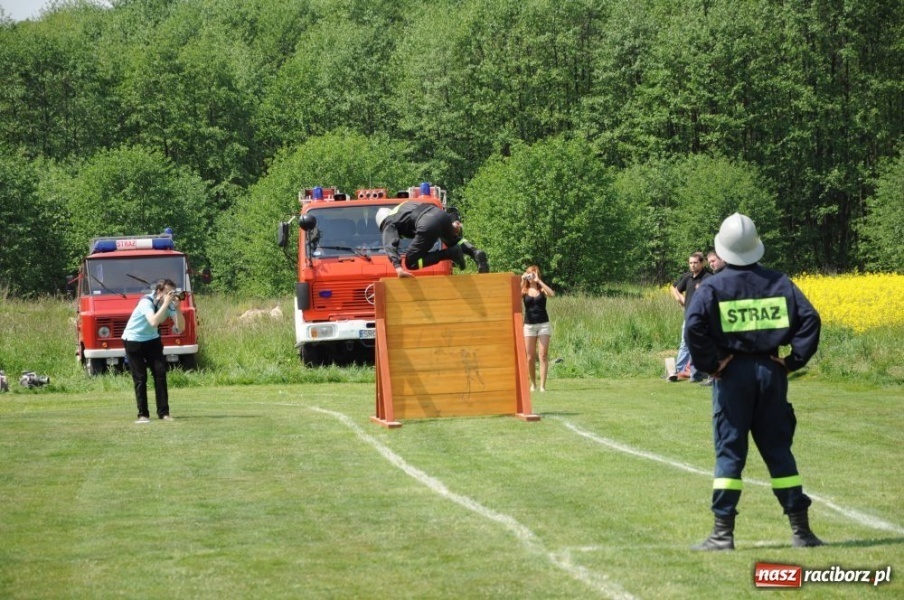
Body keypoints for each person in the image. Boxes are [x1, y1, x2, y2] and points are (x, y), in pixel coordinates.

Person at [685, 213, 823, 551]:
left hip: (733, 376)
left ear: (723, 249)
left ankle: (722, 534)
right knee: (778, 450)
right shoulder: (779, 282)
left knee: (730, 454)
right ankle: (801, 532)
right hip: (772, 372)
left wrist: (711, 365)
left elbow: (694, 328)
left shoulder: (714, 286)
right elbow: (810, 320)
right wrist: (792, 361)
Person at [122, 279, 184, 423]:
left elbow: (181, 328)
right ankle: (143, 415)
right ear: (158, 292)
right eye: (168, 292)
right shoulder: (146, 302)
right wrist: (167, 305)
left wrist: (178, 308)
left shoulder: (168, 305)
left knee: (160, 374)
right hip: (133, 340)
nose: (170, 295)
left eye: (172, 293)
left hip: (152, 340)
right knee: (140, 377)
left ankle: (164, 413)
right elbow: (154, 322)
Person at [376, 203, 489, 278]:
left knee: (411, 262)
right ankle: (475, 252)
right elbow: (429, 212)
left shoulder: (388, 222)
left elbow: (390, 244)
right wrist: (451, 225)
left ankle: (450, 253)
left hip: (426, 223)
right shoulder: (403, 207)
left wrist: (398, 267)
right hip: (441, 215)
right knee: (453, 241)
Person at [668, 252, 709, 381]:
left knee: (698, 344)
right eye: (690, 263)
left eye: (695, 263)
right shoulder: (688, 277)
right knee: (684, 343)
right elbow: (675, 288)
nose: (693, 265)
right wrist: (681, 300)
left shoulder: (707, 277)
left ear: (702, 263)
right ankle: (678, 371)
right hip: (688, 316)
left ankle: (698, 372)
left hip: (702, 316)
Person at [521, 266, 555, 392]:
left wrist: (539, 281)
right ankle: (533, 384)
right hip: (529, 325)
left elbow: (552, 294)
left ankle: (542, 386)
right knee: (530, 357)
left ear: (537, 275)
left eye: (533, 274)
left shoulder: (541, 289)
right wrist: (522, 279)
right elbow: (514, 298)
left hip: (543, 325)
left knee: (543, 355)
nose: (531, 277)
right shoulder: (524, 289)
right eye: (529, 274)